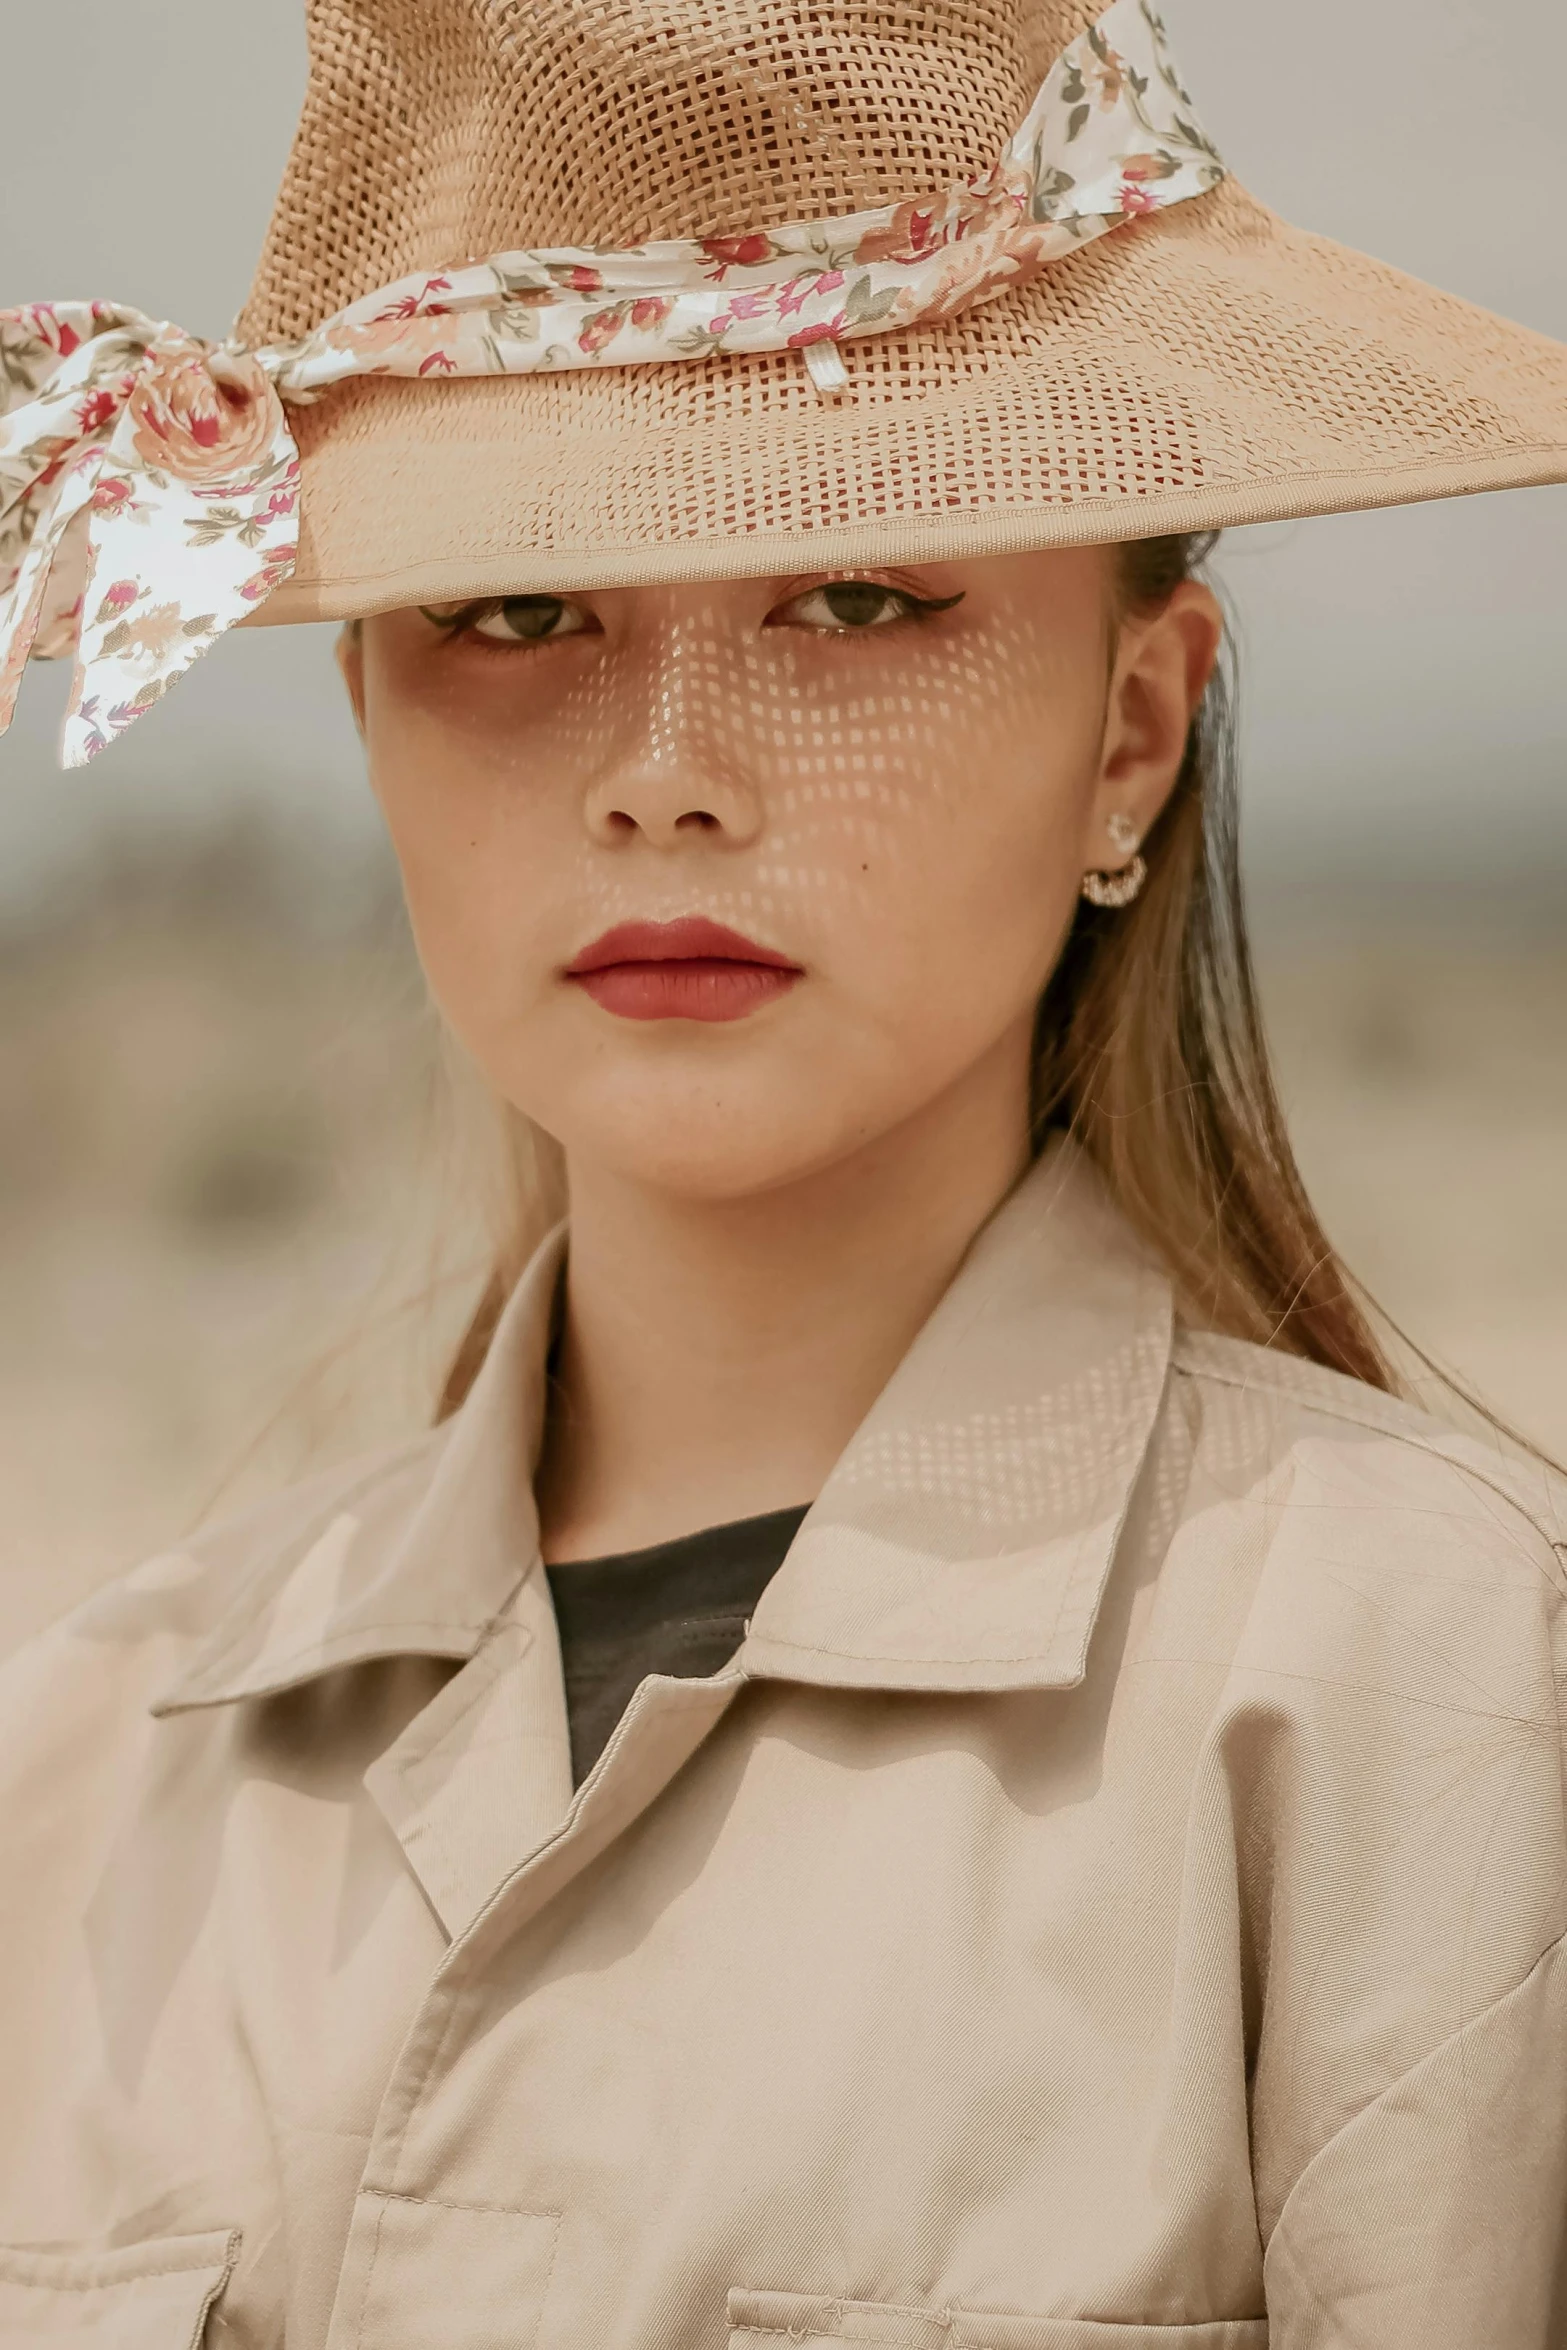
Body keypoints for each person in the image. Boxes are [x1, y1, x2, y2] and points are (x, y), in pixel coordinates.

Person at [1, 1, 1565, 2343]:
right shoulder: (80, 1779)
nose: (665, 779)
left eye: (856, 596)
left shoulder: (1429, 1698)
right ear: (363, 712)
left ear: (1131, 726)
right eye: (517, 611)